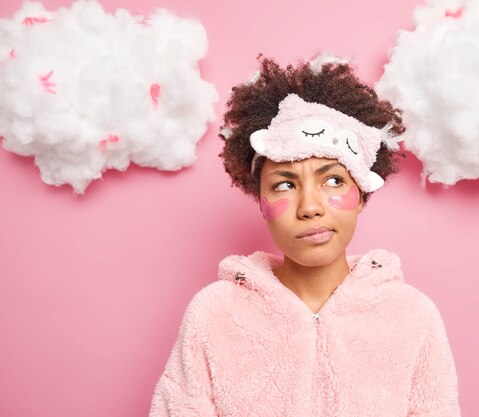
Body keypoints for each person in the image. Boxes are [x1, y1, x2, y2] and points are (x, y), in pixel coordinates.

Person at [148, 54, 462, 417]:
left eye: (333, 180)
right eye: (284, 184)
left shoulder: (412, 316)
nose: (309, 207)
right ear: (261, 201)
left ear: (360, 194)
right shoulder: (214, 314)